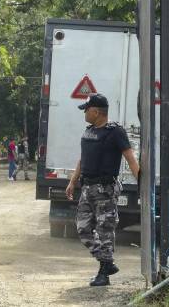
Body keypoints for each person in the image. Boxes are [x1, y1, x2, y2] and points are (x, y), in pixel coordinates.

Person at [65, 93, 140, 287]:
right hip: (87, 188)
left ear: (96, 112)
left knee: (105, 231)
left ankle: (104, 273)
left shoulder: (115, 132)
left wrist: (142, 184)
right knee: (82, 229)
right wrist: (73, 182)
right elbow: (83, 159)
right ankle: (107, 262)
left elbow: (130, 159)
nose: (84, 113)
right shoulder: (89, 131)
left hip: (105, 190)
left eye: (86, 110)